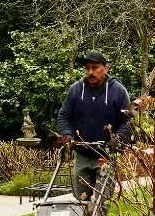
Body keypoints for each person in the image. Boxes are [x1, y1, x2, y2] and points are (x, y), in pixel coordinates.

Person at [54, 51, 132, 200]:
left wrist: (116, 141)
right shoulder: (76, 90)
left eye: (95, 67)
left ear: (105, 68)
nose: (90, 72)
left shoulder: (118, 91)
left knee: (101, 202)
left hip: (105, 155)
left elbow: (127, 122)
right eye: (88, 68)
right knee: (80, 202)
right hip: (82, 154)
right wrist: (67, 136)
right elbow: (64, 117)